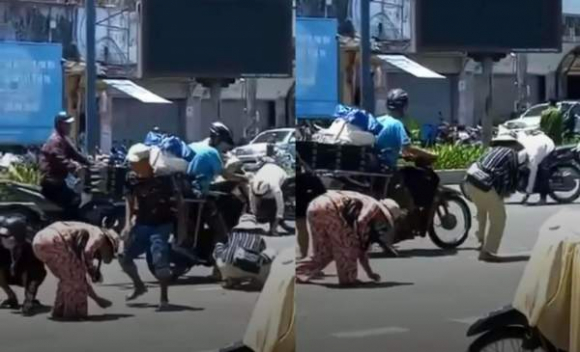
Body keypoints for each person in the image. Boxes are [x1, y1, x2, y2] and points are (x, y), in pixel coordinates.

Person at [296, 190, 401, 286]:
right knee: (347, 244)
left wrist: (369, 272)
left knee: (322, 251)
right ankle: (348, 279)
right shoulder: (373, 205)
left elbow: (363, 250)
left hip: (315, 205)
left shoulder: (362, 202)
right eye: (384, 217)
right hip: (331, 207)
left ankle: (298, 272)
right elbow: (361, 221)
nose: (382, 220)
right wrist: (356, 237)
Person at [120, 143, 174, 310]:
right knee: (124, 257)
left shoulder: (163, 179)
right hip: (142, 224)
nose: (132, 165)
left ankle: (164, 298)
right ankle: (139, 286)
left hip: (161, 225)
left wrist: (182, 228)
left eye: (135, 162)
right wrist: (127, 224)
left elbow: (178, 202)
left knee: (159, 260)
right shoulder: (131, 178)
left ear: (146, 162)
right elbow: (129, 200)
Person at [32, 221, 118, 321]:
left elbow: (80, 273)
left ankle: (58, 311)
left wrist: (96, 298)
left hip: (39, 240)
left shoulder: (82, 234)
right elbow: (88, 252)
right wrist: (91, 270)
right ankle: (74, 313)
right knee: (75, 279)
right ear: (108, 244)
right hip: (55, 239)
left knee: (67, 278)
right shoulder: (100, 235)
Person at [462, 134, 527, 262]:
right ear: (512, 144)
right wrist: (506, 192)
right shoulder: (510, 153)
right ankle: (488, 251)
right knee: (499, 218)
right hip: (483, 183)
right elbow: (510, 177)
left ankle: (480, 241)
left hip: (469, 180)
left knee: (482, 211)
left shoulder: (491, 152)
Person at [39, 112, 90, 219]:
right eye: (66, 124)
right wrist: (75, 167)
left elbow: (74, 153)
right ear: (59, 125)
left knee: (74, 194)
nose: (69, 126)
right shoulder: (55, 140)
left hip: (59, 180)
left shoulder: (63, 139)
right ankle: (67, 226)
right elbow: (59, 158)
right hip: (52, 182)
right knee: (74, 199)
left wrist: (88, 161)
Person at [375, 89, 436, 169]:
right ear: (404, 106)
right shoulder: (397, 124)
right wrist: (430, 155)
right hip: (388, 168)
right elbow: (408, 148)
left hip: (374, 166)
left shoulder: (377, 120)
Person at [214, 214, 276, 290]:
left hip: (226, 267)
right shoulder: (258, 237)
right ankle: (260, 279)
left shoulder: (231, 235)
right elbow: (261, 253)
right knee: (270, 252)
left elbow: (218, 249)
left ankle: (228, 277)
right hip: (250, 269)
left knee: (219, 250)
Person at [0, 217, 47, 316]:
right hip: (13, 273)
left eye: (6, 235)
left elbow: (30, 272)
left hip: (31, 275)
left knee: (31, 272)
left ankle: (30, 299)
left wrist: (28, 300)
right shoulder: (1, 246)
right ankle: (11, 297)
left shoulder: (29, 247)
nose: (3, 238)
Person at [249, 159, 288, 236]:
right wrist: (254, 215)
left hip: (280, 173)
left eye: (262, 196)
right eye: (258, 195)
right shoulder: (253, 183)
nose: (260, 197)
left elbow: (280, 207)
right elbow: (252, 200)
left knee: (271, 203)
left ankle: (274, 225)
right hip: (266, 168)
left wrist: (274, 227)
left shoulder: (275, 188)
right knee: (262, 204)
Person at [516, 130, 555, 205]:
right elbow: (521, 134)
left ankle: (543, 199)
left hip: (548, 147)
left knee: (542, 171)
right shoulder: (523, 144)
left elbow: (532, 176)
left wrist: (528, 193)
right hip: (540, 141)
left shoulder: (532, 157)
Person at [295, 172, 327, 259]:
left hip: (305, 204)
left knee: (303, 229)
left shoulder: (309, 177)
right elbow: (323, 192)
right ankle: (311, 255)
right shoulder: (311, 177)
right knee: (311, 230)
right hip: (310, 203)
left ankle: (306, 254)